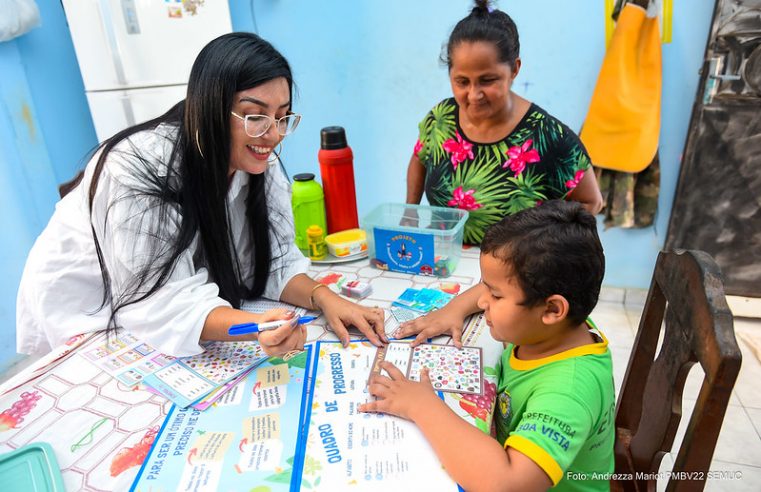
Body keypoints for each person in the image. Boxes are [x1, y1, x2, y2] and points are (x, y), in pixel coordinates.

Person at [16, 32, 385, 358]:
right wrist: (255, 327)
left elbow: (273, 262)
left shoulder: (257, 163)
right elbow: (163, 303)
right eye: (255, 116)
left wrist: (326, 299)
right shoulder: (138, 168)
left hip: (148, 308)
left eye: (282, 117)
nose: (272, 135)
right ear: (211, 108)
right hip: (87, 303)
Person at [360, 200, 614, 491]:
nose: (482, 302)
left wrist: (422, 405)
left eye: (495, 296)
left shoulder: (569, 390)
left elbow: (507, 484)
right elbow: (499, 282)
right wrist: (453, 309)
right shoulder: (557, 328)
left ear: (552, 310)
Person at [406, 0, 603, 245]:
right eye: (462, 81)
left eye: (487, 80)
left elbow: (591, 201)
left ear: (514, 70)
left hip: (516, 276)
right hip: (447, 262)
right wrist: (409, 213)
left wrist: (541, 249)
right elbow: (419, 158)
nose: (474, 95)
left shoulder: (548, 136)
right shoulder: (441, 119)